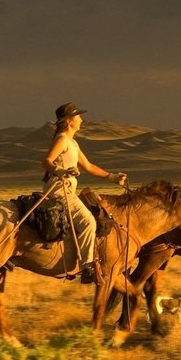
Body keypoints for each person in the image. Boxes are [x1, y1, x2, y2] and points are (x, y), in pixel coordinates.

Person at [42, 102, 128, 284]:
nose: (82, 119)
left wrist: (112, 177)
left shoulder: (72, 142)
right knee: (88, 221)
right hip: (59, 189)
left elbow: (88, 166)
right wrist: (60, 171)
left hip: (68, 189)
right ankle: (87, 266)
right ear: (69, 121)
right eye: (78, 116)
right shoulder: (62, 139)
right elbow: (46, 161)